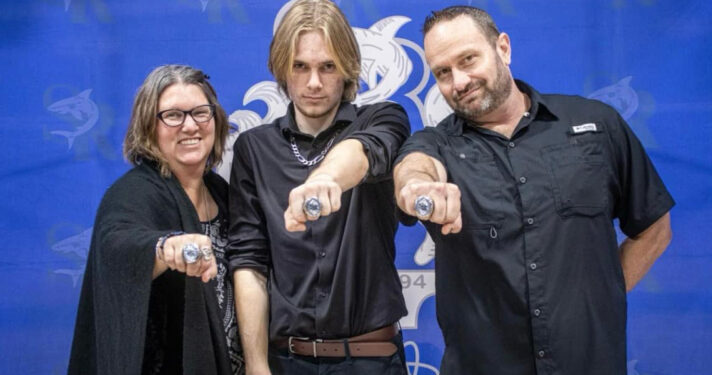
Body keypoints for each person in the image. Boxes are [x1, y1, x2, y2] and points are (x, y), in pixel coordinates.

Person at [393, 6, 674, 375]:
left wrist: (599, 302)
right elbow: (413, 168)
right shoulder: (436, 145)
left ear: (503, 49)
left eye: (468, 60)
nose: (458, 81)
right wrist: (418, 187)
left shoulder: (596, 124)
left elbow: (654, 228)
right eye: (443, 73)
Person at [226, 1, 411, 374]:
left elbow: (367, 152)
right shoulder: (254, 148)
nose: (314, 82)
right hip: (285, 360)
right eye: (300, 66)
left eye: (327, 67)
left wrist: (327, 178)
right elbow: (249, 261)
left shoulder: (382, 118)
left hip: (371, 358)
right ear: (281, 68)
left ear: (346, 69)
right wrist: (257, 365)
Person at [68, 65, 243, 374]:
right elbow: (117, 245)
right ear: (149, 127)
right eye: (173, 115)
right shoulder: (132, 193)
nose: (190, 126)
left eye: (200, 113)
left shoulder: (222, 194)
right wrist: (167, 246)